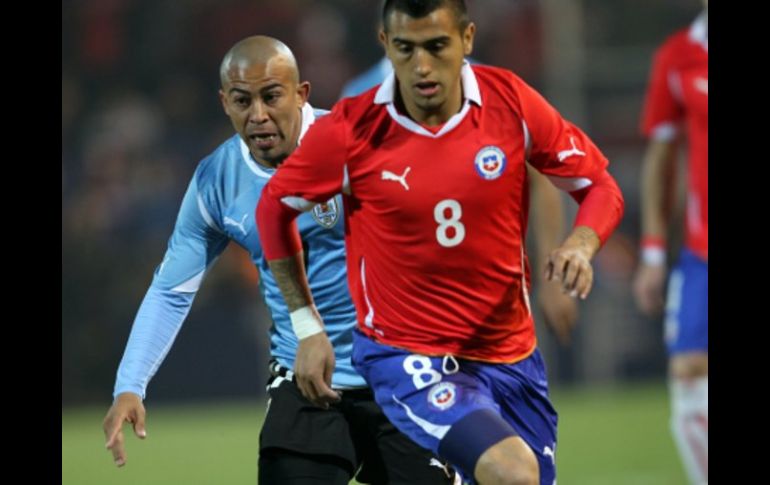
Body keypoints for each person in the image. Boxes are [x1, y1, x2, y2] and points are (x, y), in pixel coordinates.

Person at [256, 1, 624, 483]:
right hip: (407, 356)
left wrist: (581, 243)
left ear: (467, 39)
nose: (422, 66)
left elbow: (598, 185)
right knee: (512, 473)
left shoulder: (510, 101)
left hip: (511, 354)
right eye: (406, 49)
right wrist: (307, 325)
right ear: (386, 45)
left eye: (436, 46)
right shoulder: (351, 128)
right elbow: (274, 209)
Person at [102, 35, 457, 485]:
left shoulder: (360, 148)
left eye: (271, 97)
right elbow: (171, 291)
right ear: (223, 103)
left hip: (405, 374)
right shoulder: (218, 181)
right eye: (242, 100)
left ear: (301, 94)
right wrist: (130, 384)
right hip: (305, 381)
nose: (258, 115)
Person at [341, 55, 578, 345]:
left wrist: (551, 276)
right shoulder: (358, 96)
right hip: (404, 304)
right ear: (387, 38)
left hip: (493, 299)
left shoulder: (498, 89)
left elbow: (541, 178)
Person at [632, 2, 708, 483]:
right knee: (687, 374)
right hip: (701, 253)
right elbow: (661, 157)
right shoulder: (679, 57)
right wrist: (654, 251)